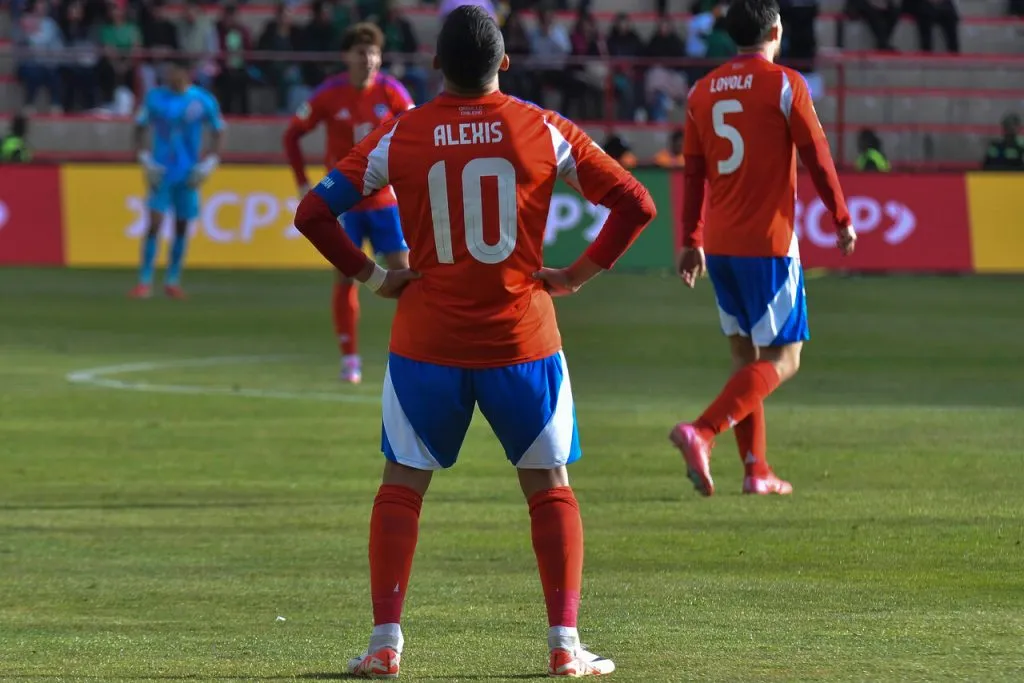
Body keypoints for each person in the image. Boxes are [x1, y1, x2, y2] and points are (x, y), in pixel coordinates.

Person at [292, 5, 656, 677]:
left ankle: (385, 643)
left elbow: (312, 211)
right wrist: (574, 276)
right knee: (549, 486)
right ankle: (563, 643)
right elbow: (637, 202)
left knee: (402, 484)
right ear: (505, 62)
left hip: (426, 343)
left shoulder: (398, 133)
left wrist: (375, 276)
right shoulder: (547, 130)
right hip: (524, 342)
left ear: (434, 65)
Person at [672, 0, 856, 496]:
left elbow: (693, 175)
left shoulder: (702, 91)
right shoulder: (784, 83)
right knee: (785, 358)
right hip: (769, 244)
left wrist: (691, 238)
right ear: (776, 30)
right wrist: (840, 216)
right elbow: (816, 154)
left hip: (722, 245)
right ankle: (702, 431)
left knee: (745, 358)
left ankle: (756, 470)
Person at [282, 22, 415, 384]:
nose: (369, 59)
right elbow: (292, 135)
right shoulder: (328, 94)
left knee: (406, 277)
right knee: (345, 277)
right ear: (347, 57)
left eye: (374, 53)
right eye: (361, 52)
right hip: (343, 205)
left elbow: (415, 132)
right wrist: (301, 183)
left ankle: (415, 352)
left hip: (385, 201)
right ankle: (350, 358)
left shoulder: (393, 92)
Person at [130, 59, 225, 299]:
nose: (173, 77)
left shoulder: (202, 100)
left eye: (177, 72)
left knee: (182, 226)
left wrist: (211, 161)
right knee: (154, 223)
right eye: (170, 73)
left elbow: (218, 130)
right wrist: (144, 158)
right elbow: (139, 127)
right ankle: (144, 280)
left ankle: (172, 279)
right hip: (161, 170)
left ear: (187, 74)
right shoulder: (155, 98)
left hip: (188, 171)